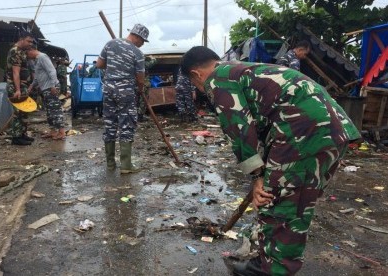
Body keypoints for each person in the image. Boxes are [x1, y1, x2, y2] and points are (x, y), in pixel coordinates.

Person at [180, 46, 360, 276]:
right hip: (333, 129)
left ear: (195, 74)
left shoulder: (218, 80)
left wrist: (257, 177)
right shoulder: (242, 69)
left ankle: (273, 269)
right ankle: (276, 260)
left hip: (301, 131)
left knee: (277, 201)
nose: (201, 90)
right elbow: (263, 117)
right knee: (298, 199)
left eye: (195, 85)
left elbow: (240, 131)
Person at [96, 23, 149, 173]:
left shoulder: (110, 44)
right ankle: (126, 166)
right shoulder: (137, 53)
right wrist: (140, 90)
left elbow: (99, 64)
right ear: (138, 37)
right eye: (143, 40)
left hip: (109, 90)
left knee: (110, 124)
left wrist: (113, 66)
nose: (143, 44)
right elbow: (140, 78)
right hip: (125, 92)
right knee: (126, 125)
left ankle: (110, 164)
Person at [26, 48, 66, 140]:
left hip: (51, 87)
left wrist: (53, 85)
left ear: (31, 51)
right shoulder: (37, 61)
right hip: (45, 89)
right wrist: (31, 86)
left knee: (55, 110)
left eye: (27, 55)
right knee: (49, 112)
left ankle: (61, 132)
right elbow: (37, 77)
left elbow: (52, 71)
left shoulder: (42, 57)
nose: (28, 58)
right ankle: (53, 131)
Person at [5, 32, 35, 146]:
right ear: (21, 39)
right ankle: (16, 138)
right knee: (18, 112)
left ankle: (22, 134)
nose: (30, 44)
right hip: (16, 87)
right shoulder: (15, 51)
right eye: (28, 41)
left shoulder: (21, 52)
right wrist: (17, 89)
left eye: (31, 42)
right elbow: (15, 72)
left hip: (23, 86)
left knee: (24, 111)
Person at [136, 56, 157, 122]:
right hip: (143, 83)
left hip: (136, 84)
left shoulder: (133, 62)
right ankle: (140, 116)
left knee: (137, 100)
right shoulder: (142, 63)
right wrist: (153, 58)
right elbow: (152, 63)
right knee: (143, 100)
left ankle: (136, 115)